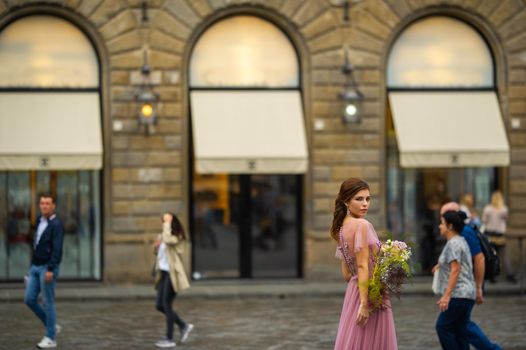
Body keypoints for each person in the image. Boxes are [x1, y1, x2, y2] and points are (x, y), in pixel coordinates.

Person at [331, 178, 397, 349]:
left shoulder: (341, 227)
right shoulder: (363, 225)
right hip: (368, 295)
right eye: (359, 199)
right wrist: (364, 303)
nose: (365, 204)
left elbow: (346, 274)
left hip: (354, 291)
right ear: (346, 201)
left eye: (368, 199)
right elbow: (362, 266)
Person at [441, 202, 502, 350]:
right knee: (461, 326)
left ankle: (492, 348)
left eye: (443, 217)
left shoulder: (464, 232)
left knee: (456, 326)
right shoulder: (457, 234)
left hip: (464, 289)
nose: (440, 222)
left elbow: (479, 258)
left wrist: (478, 287)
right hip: (464, 288)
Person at [24, 193, 64, 349]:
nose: (44, 206)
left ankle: (50, 337)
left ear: (53, 205)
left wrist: (51, 268)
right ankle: (52, 326)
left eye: (48, 203)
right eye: (42, 203)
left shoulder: (57, 224)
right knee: (29, 299)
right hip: (35, 267)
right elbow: (36, 246)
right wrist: (31, 268)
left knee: (48, 302)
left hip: (47, 267)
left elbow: (57, 249)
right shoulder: (39, 221)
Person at [433, 210, 476, 350]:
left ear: (450, 226)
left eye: (442, 223)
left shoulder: (453, 243)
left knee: (442, 327)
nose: (439, 226)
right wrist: (440, 265)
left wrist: (446, 295)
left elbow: (456, 269)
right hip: (468, 294)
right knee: (460, 331)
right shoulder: (460, 241)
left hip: (458, 294)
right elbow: (459, 263)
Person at [153, 212, 194, 348]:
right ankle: (184, 325)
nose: (164, 222)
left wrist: (167, 224)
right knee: (159, 305)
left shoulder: (178, 236)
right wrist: (156, 247)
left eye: (166, 220)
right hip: (164, 274)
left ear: (172, 222)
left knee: (166, 304)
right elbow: (160, 251)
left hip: (173, 275)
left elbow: (169, 241)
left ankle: (169, 338)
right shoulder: (163, 235)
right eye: (163, 220)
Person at [482, 190, 516, 283]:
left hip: (490, 235)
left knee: (491, 256)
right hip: (500, 235)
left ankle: (492, 276)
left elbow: (484, 221)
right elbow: (506, 219)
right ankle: (510, 275)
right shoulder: (504, 209)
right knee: (504, 256)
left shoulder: (487, 208)